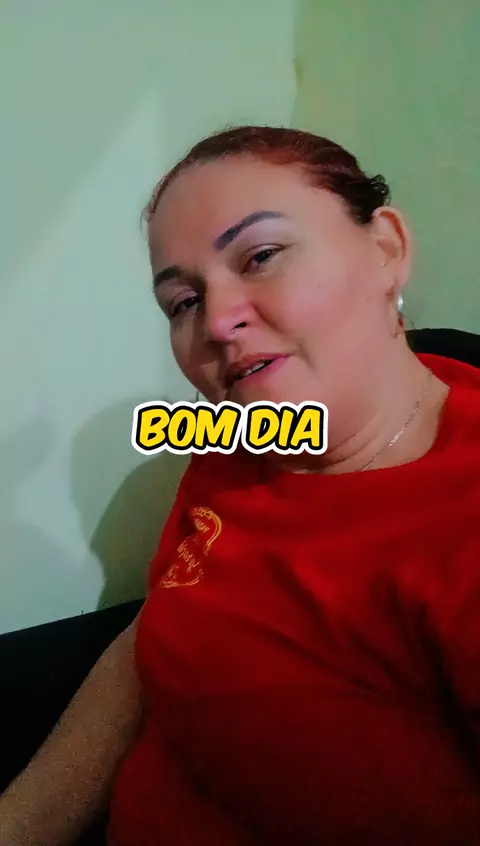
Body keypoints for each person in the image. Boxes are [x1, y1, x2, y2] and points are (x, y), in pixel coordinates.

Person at [1, 125, 480, 846]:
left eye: (260, 256)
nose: (219, 322)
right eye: (183, 301)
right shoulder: (241, 438)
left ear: (386, 247)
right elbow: (157, 633)